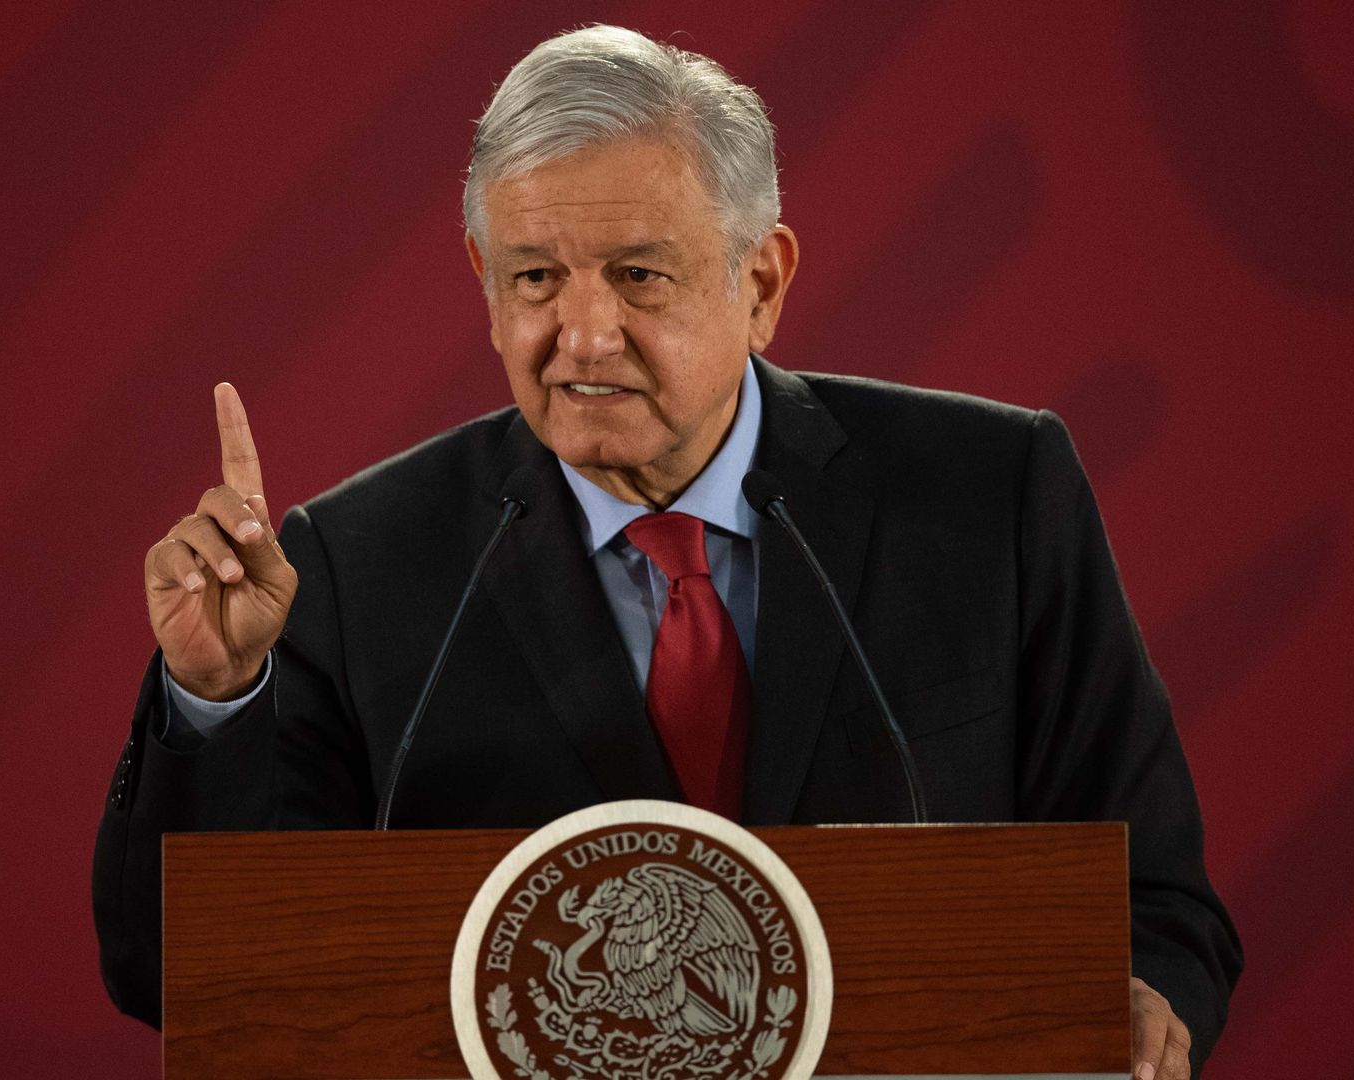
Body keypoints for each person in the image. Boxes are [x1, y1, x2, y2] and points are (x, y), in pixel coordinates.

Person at [93, 24, 1240, 1078]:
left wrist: (1142, 1000)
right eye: (535, 277)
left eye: (639, 275)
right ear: (485, 290)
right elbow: (180, 980)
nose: (583, 334)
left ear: (762, 282)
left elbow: (1161, 902)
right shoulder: (356, 564)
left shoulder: (991, 498)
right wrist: (214, 696)